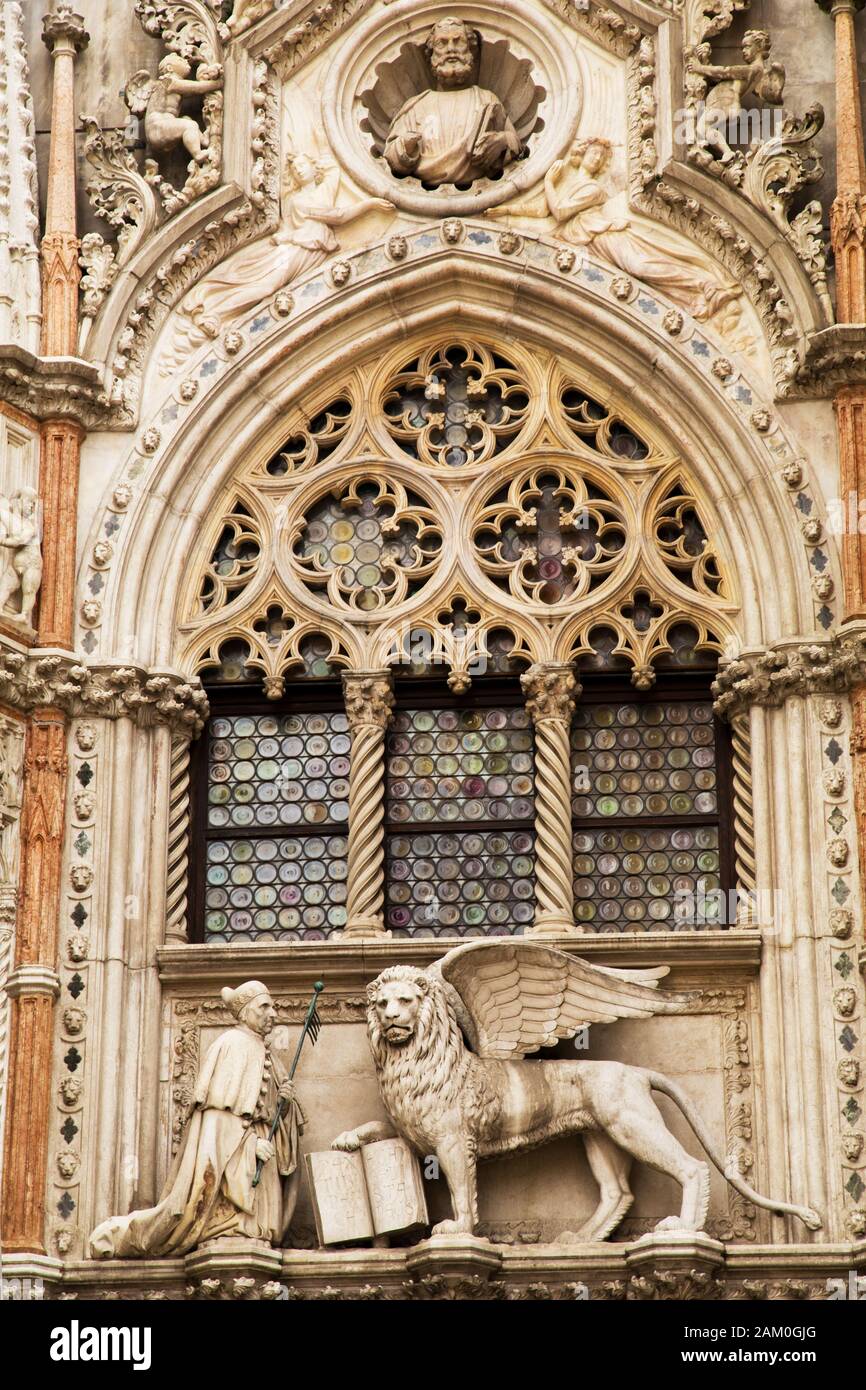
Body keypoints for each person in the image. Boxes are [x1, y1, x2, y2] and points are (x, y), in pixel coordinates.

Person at [89, 981, 305, 1256]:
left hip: (261, 1158)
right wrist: (251, 1147)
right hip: (242, 1156)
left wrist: (284, 1107)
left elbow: (272, 1117)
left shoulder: (268, 1055)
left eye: (272, 1006)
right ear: (245, 1012)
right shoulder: (231, 1046)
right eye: (265, 1006)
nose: (273, 1013)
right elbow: (218, 1123)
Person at [160, 152, 393, 372]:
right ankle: (216, 313)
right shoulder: (297, 200)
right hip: (296, 250)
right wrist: (370, 205)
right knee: (266, 287)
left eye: (303, 165)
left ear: (314, 167)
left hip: (310, 251)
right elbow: (338, 217)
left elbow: (333, 171)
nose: (299, 171)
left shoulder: (324, 192)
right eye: (294, 168)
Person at [488, 137, 742, 323]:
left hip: (604, 236)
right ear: (581, 154)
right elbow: (540, 208)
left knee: (641, 267)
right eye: (592, 153)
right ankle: (698, 294)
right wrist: (503, 212)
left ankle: (704, 285)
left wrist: (548, 182)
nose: (596, 158)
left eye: (600, 156)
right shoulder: (567, 183)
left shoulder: (593, 189)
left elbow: (560, 212)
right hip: (586, 240)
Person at [384, 18, 521, 186]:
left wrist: (500, 141)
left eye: (458, 42)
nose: (451, 49)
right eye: (442, 44)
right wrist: (406, 145)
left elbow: (515, 143)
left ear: (470, 51)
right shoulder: (416, 106)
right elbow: (391, 155)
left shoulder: (486, 99)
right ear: (431, 54)